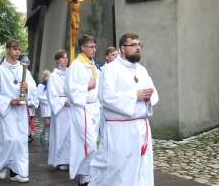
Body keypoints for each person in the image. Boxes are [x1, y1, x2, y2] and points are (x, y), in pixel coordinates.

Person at [89, 33, 158, 186]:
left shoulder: (141, 70)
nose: (138, 48)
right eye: (133, 45)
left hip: (140, 127)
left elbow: (152, 92)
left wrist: (148, 97)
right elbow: (106, 96)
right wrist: (135, 95)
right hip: (119, 128)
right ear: (123, 48)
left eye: (139, 45)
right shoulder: (111, 69)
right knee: (117, 168)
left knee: (142, 167)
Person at [0, 39, 37, 183]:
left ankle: (17, 172)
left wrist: (27, 87)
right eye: (14, 49)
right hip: (9, 109)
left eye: (19, 49)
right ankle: (1, 164)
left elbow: (34, 88)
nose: (17, 52)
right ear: (8, 50)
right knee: (10, 139)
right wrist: (8, 101)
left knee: (21, 140)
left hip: (21, 109)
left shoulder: (23, 69)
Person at [64, 34, 100, 186]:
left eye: (95, 46)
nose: (94, 49)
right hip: (82, 107)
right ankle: (85, 176)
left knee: (92, 143)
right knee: (89, 143)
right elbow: (68, 89)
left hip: (94, 107)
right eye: (91, 47)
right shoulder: (76, 65)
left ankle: (88, 175)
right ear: (83, 47)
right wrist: (87, 87)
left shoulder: (92, 64)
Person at [47, 50, 71, 171]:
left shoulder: (70, 73)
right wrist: (63, 102)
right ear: (57, 60)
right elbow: (51, 94)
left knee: (70, 134)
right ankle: (60, 160)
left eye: (66, 57)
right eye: (62, 58)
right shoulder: (53, 76)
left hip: (71, 108)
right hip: (60, 109)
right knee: (60, 134)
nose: (65, 60)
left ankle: (69, 158)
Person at [37, 70, 51, 145]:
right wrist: (47, 99)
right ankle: (42, 133)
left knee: (51, 124)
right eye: (47, 76)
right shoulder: (40, 86)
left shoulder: (52, 86)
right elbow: (39, 96)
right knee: (47, 122)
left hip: (51, 106)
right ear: (44, 77)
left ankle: (50, 138)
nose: (49, 78)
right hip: (45, 106)